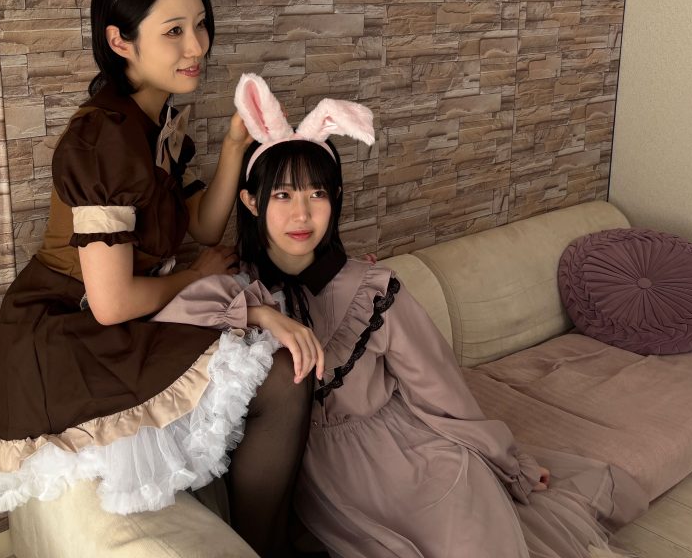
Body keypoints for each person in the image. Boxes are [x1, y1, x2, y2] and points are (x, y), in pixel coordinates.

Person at [154, 74, 649, 558]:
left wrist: (507, 458)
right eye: (282, 195)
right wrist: (264, 315)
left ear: (335, 199)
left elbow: (441, 390)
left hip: (410, 452)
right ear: (250, 201)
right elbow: (169, 328)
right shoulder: (238, 288)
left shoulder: (372, 289)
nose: (301, 214)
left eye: (317, 194)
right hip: (324, 475)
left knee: (472, 532)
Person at [0, 0, 311, 557]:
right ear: (120, 41)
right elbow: (113, 302)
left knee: (279, 362)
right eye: (174, 31)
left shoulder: (153, 123)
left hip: (113, 316)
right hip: (68, 328)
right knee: (279, 375)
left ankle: (265, 539)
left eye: (200, 24)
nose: (197, 46)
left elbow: (202, 226)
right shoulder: (104, 138)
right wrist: (197, 279)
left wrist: (236, 144)